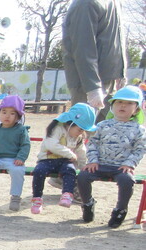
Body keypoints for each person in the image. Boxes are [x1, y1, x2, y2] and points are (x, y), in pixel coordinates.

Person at [78, 85, 146, 228]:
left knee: (127, 180)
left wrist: (129, 163)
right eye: (119, 102)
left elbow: (139, 149)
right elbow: (92, 143)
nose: (123, 106)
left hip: (121, 167)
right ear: (112, 106)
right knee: (83, 176)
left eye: (129, 103)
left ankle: (120, 210)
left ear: (136, 109)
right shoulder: (102, 125)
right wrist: (93, 160)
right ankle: (88, 204)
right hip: (100, 164)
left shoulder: (139, 129)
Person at [62, 0, 127, 121]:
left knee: (108, 129)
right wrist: (92, 87)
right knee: (82, 127)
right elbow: (83, 48)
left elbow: (116, 40)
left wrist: (121, 73)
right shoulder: (86, 3)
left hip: (110, 80)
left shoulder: (114, 3)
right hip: (87, 84)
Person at [30, 103, 96, 215]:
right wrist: (70, 154)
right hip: (47, 160)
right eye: (80, 129)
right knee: (39, 171)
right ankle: (37, 199)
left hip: (65, 162)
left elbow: (81, 153)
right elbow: (51, 145)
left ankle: (67, 194)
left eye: (83, 130)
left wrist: (83, 167)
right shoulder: (57, 129)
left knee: (70, 170)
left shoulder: (79, 137)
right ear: (71, 123)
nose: (81, 133)